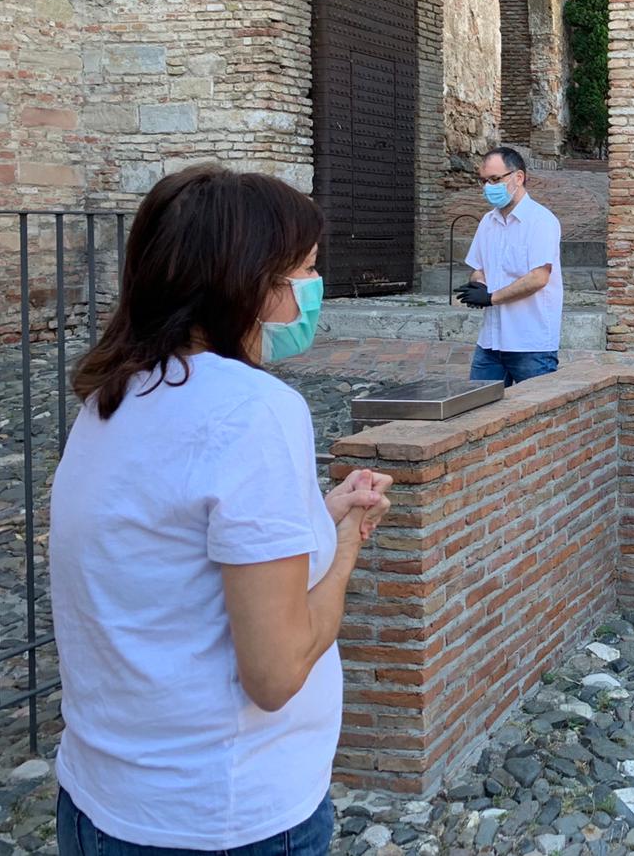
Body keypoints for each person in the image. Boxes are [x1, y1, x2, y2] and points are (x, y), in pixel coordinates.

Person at [49, 164, 392, 854]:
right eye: (304, 272)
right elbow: (277, 672)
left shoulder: (115, 396)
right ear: (249, 284)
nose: (310, 294)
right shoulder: (253, 410)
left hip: (101, 797)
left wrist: (321, 513)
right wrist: (350, 543)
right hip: (221, 814)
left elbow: (175, 554)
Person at [456, 146, 564, 386]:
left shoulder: (541, 221)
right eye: (483, 181)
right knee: (477, 410)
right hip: (491, 341)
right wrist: (479, 286)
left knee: (539, 415)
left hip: (529, 341)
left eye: (495, 179)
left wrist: (492, 298)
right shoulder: (488, 221)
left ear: (518, 177)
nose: (488, 187)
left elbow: (538, 277)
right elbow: (478, 267)